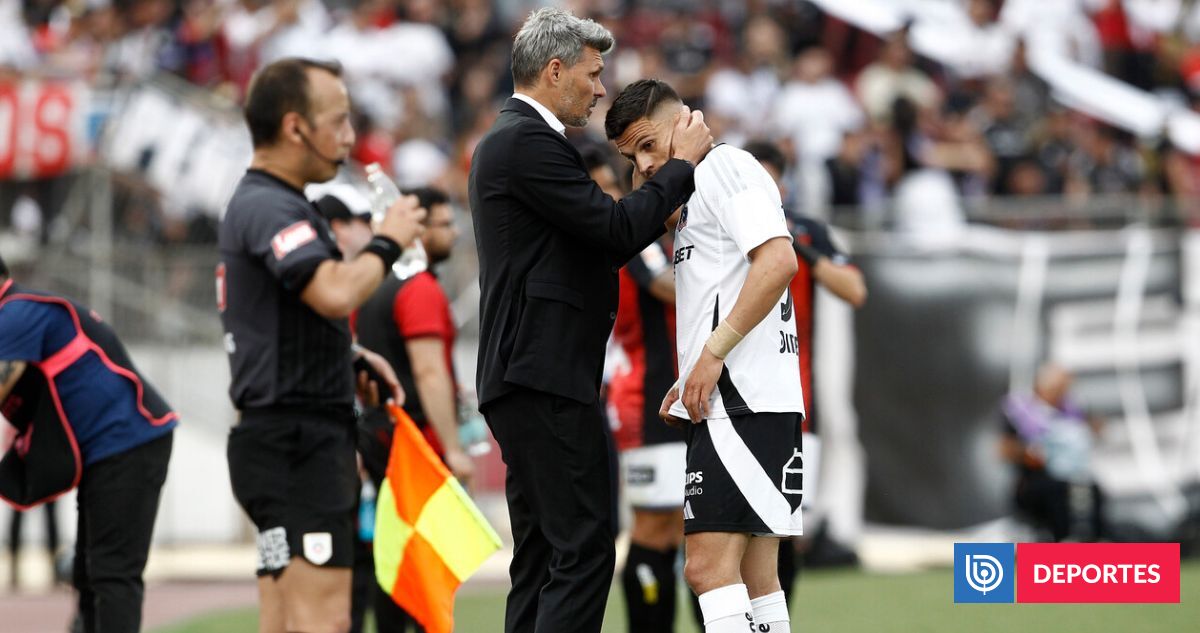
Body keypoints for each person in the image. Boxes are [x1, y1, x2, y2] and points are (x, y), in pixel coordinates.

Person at [468, 8, 712, 633]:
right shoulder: (527, 141)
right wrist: (680, 167)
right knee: (583, 550)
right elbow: (610, 231)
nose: (600, 87)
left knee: (544, 554)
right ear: (555, 70)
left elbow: (596, 237)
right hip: (545, 373)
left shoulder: (517, 140)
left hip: (527, 374)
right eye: (593, 72)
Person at [218, 57, 426, 633]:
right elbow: (334, 292)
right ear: (294, 127)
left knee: (283, 617)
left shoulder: (271, 201)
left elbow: (276, 313)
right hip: (297, 444)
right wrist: (388, 241)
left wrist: (347, 356)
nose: (349, 136)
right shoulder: (269, 203)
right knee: (324, 622)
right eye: (337, 121)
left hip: (280, 438)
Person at [606, 78, 803, 633]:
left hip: (742, 402)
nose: (643, 165)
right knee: (756, 576)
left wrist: (713, 354)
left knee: (706, 568)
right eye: (632, 156)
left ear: (683, 123)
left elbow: (778, 262)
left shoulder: (724, 167)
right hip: (748, 400)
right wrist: (699, 362)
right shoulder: (697, 190)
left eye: (648, 145)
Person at [0, 253, 177, 632]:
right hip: (108, 450)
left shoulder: (14, 313)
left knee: (112, 575)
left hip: (129, 441)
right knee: (90, 575)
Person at [745, 139, 867, 603]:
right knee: (725, 533)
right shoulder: (722, 231)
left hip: (796, 404)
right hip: (732, 400)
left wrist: (800, 251)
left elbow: (854, 290)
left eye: (773, 177)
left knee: (785, 531)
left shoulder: (809, 232)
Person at [353, 185, 470, 633]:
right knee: (425, 571)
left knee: (397, 563)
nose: (454, 234)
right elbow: (430, 373)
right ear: (417, 231)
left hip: (385, 434)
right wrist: (455, 450)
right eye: (444, 224)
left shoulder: (375, 284)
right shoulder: (418, 289)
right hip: (416, 441)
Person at [1000, 362, 1106, 542]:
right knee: (1055, 495)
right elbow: (1003, 449)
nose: (1061, 393)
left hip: (1073, 477)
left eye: (1065, 388)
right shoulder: (1019, 410)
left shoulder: (1073, 410)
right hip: (1036, 481)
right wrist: (1033, 454)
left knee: (1094, 493)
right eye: (1057, 388)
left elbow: (1096, 430)